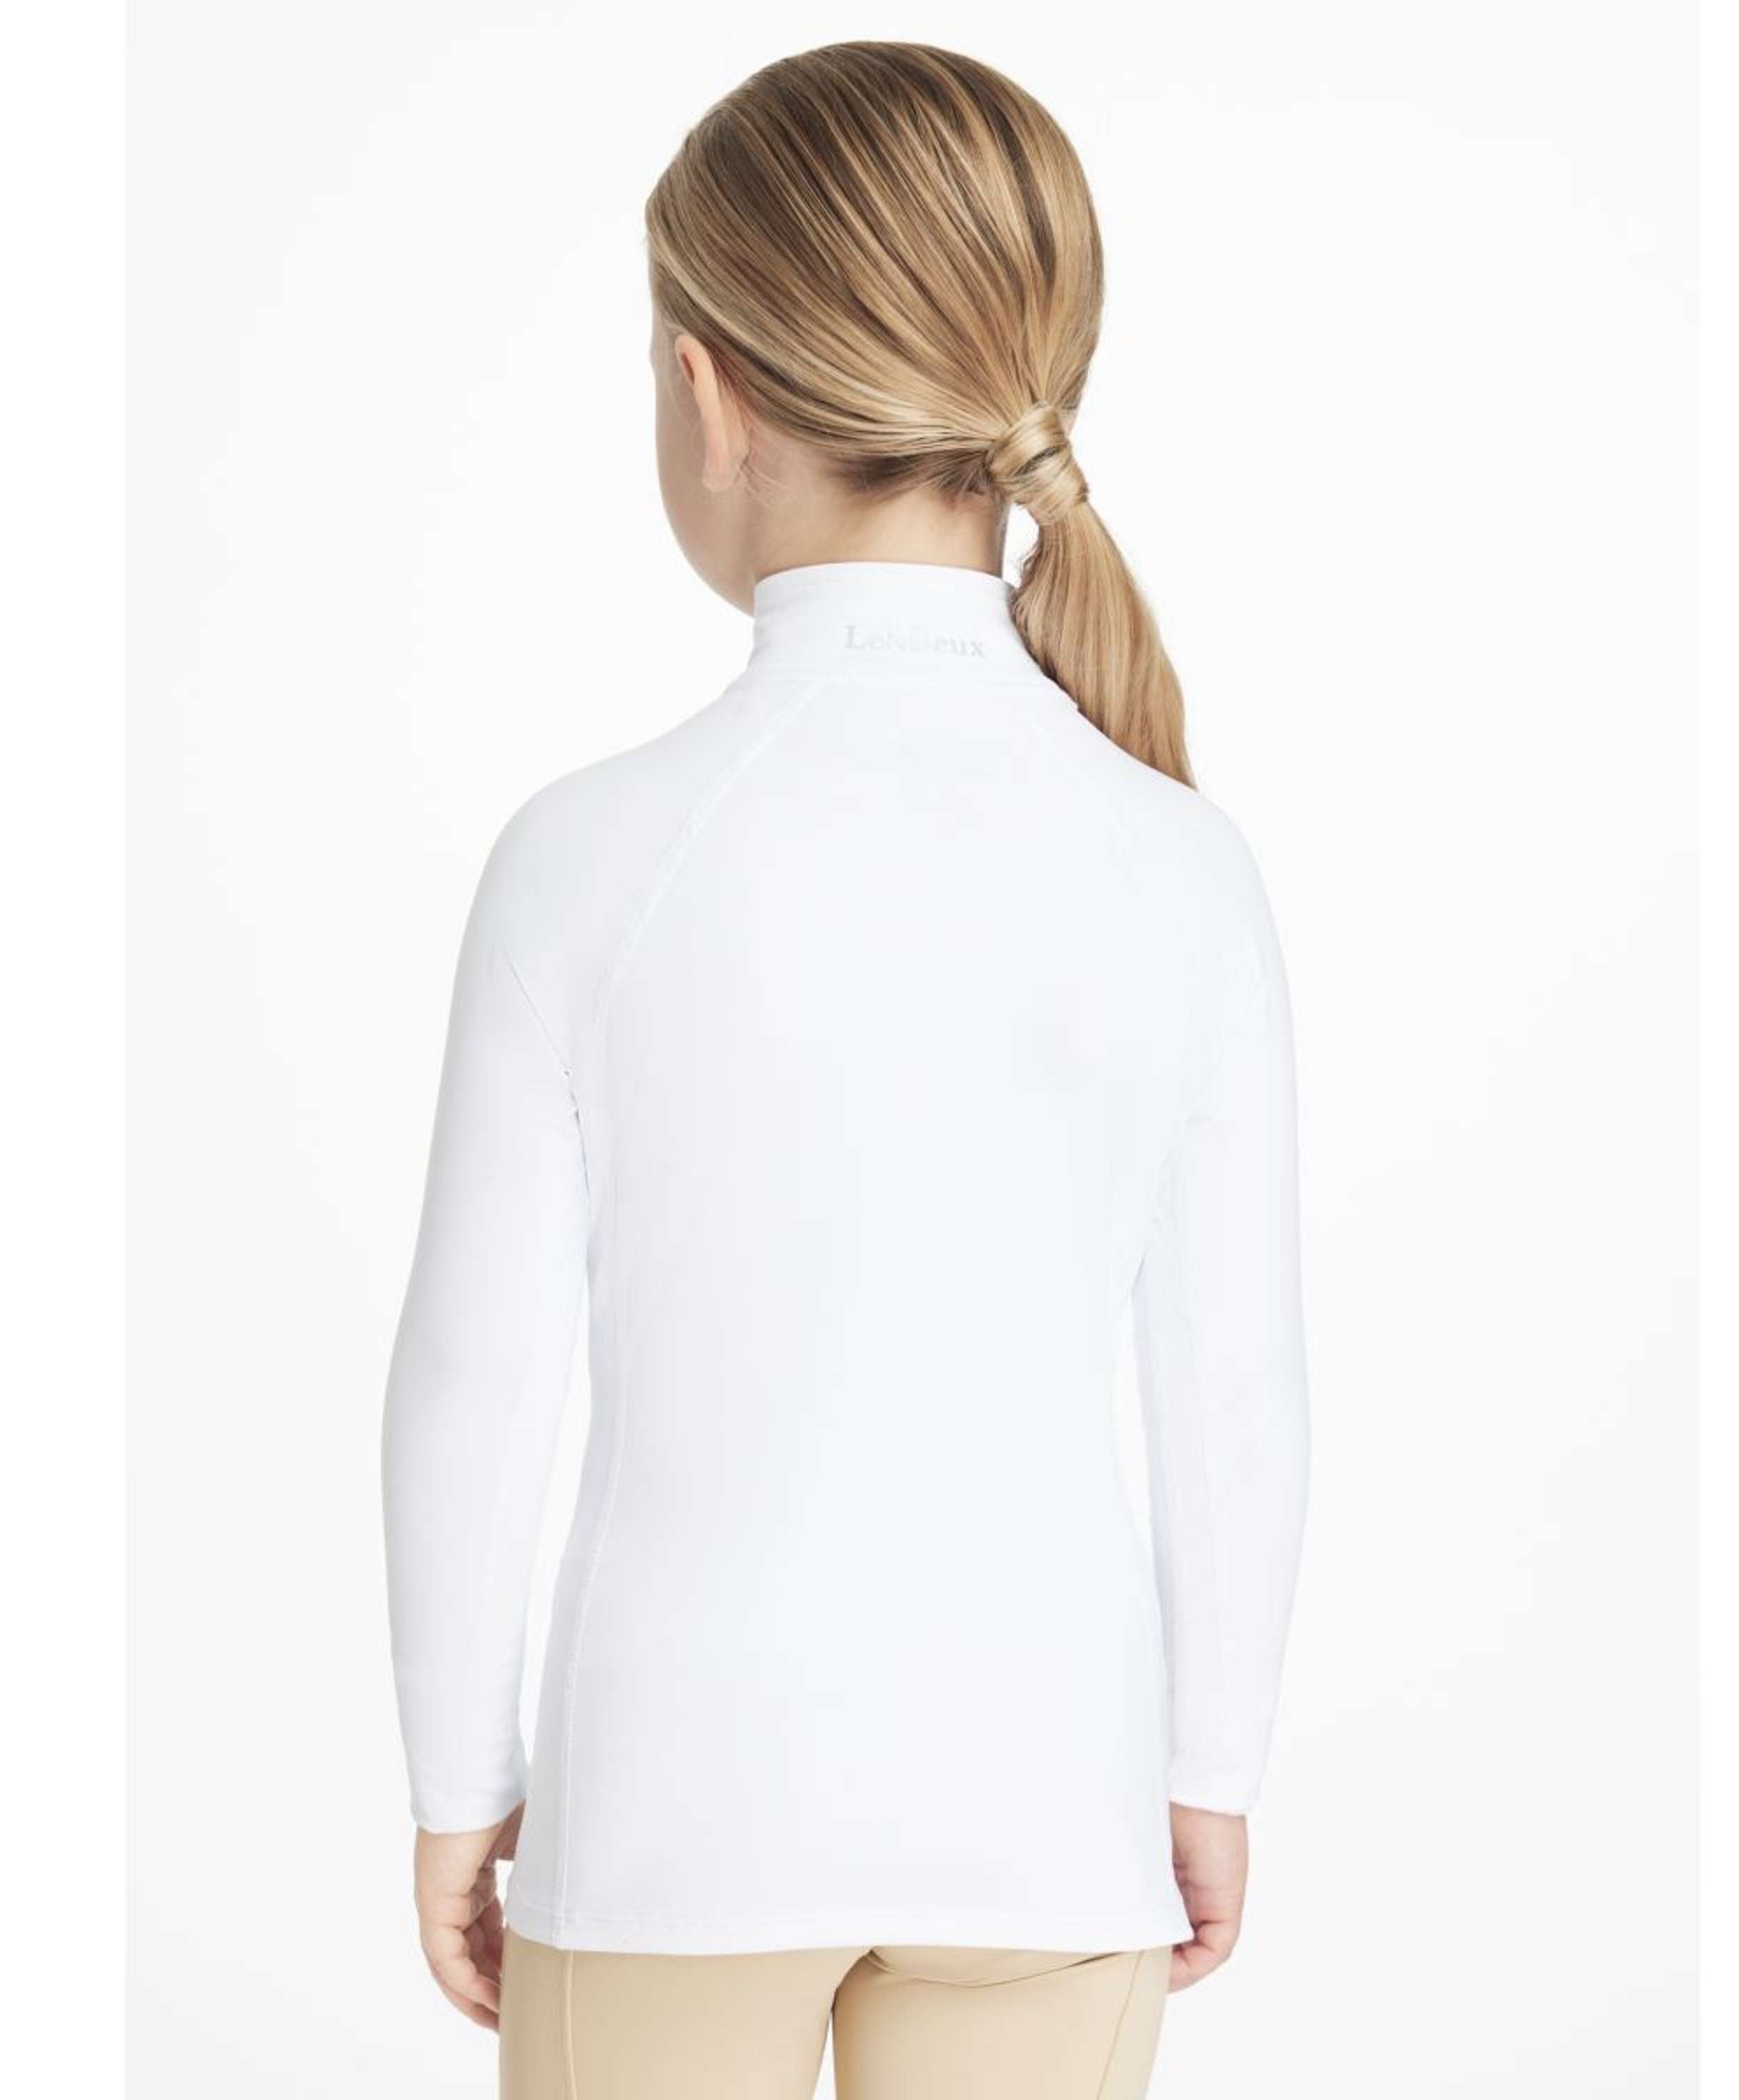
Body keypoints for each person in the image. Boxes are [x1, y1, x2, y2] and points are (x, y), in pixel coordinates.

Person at [382, 41, 1309, 2100]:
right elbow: (1236, 1384)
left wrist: (460, 1783)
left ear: (707, 393)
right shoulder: (1179, 860)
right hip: (1052, 1795)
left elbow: (472, 1383)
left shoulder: (588, 857)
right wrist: (1211, 1762)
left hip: (670, 1816)